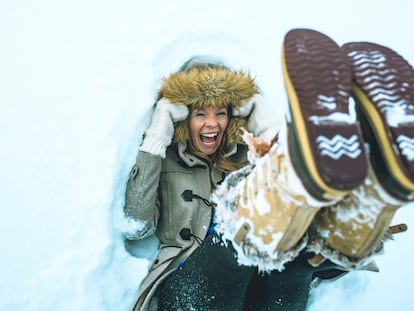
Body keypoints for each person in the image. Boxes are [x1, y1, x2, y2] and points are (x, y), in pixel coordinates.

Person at [123, 28, 413, 311]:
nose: (212, 124)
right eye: (200, 113)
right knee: (238, 242)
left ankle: (353, 210)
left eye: (221, 113)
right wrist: (157, 136)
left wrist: (265, 127)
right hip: (190, 288)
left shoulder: (245, 158)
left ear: (234, 116)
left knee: (297, 264)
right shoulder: (167, 161)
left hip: (255, 290)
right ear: (183, 117)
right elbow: (137, 225)